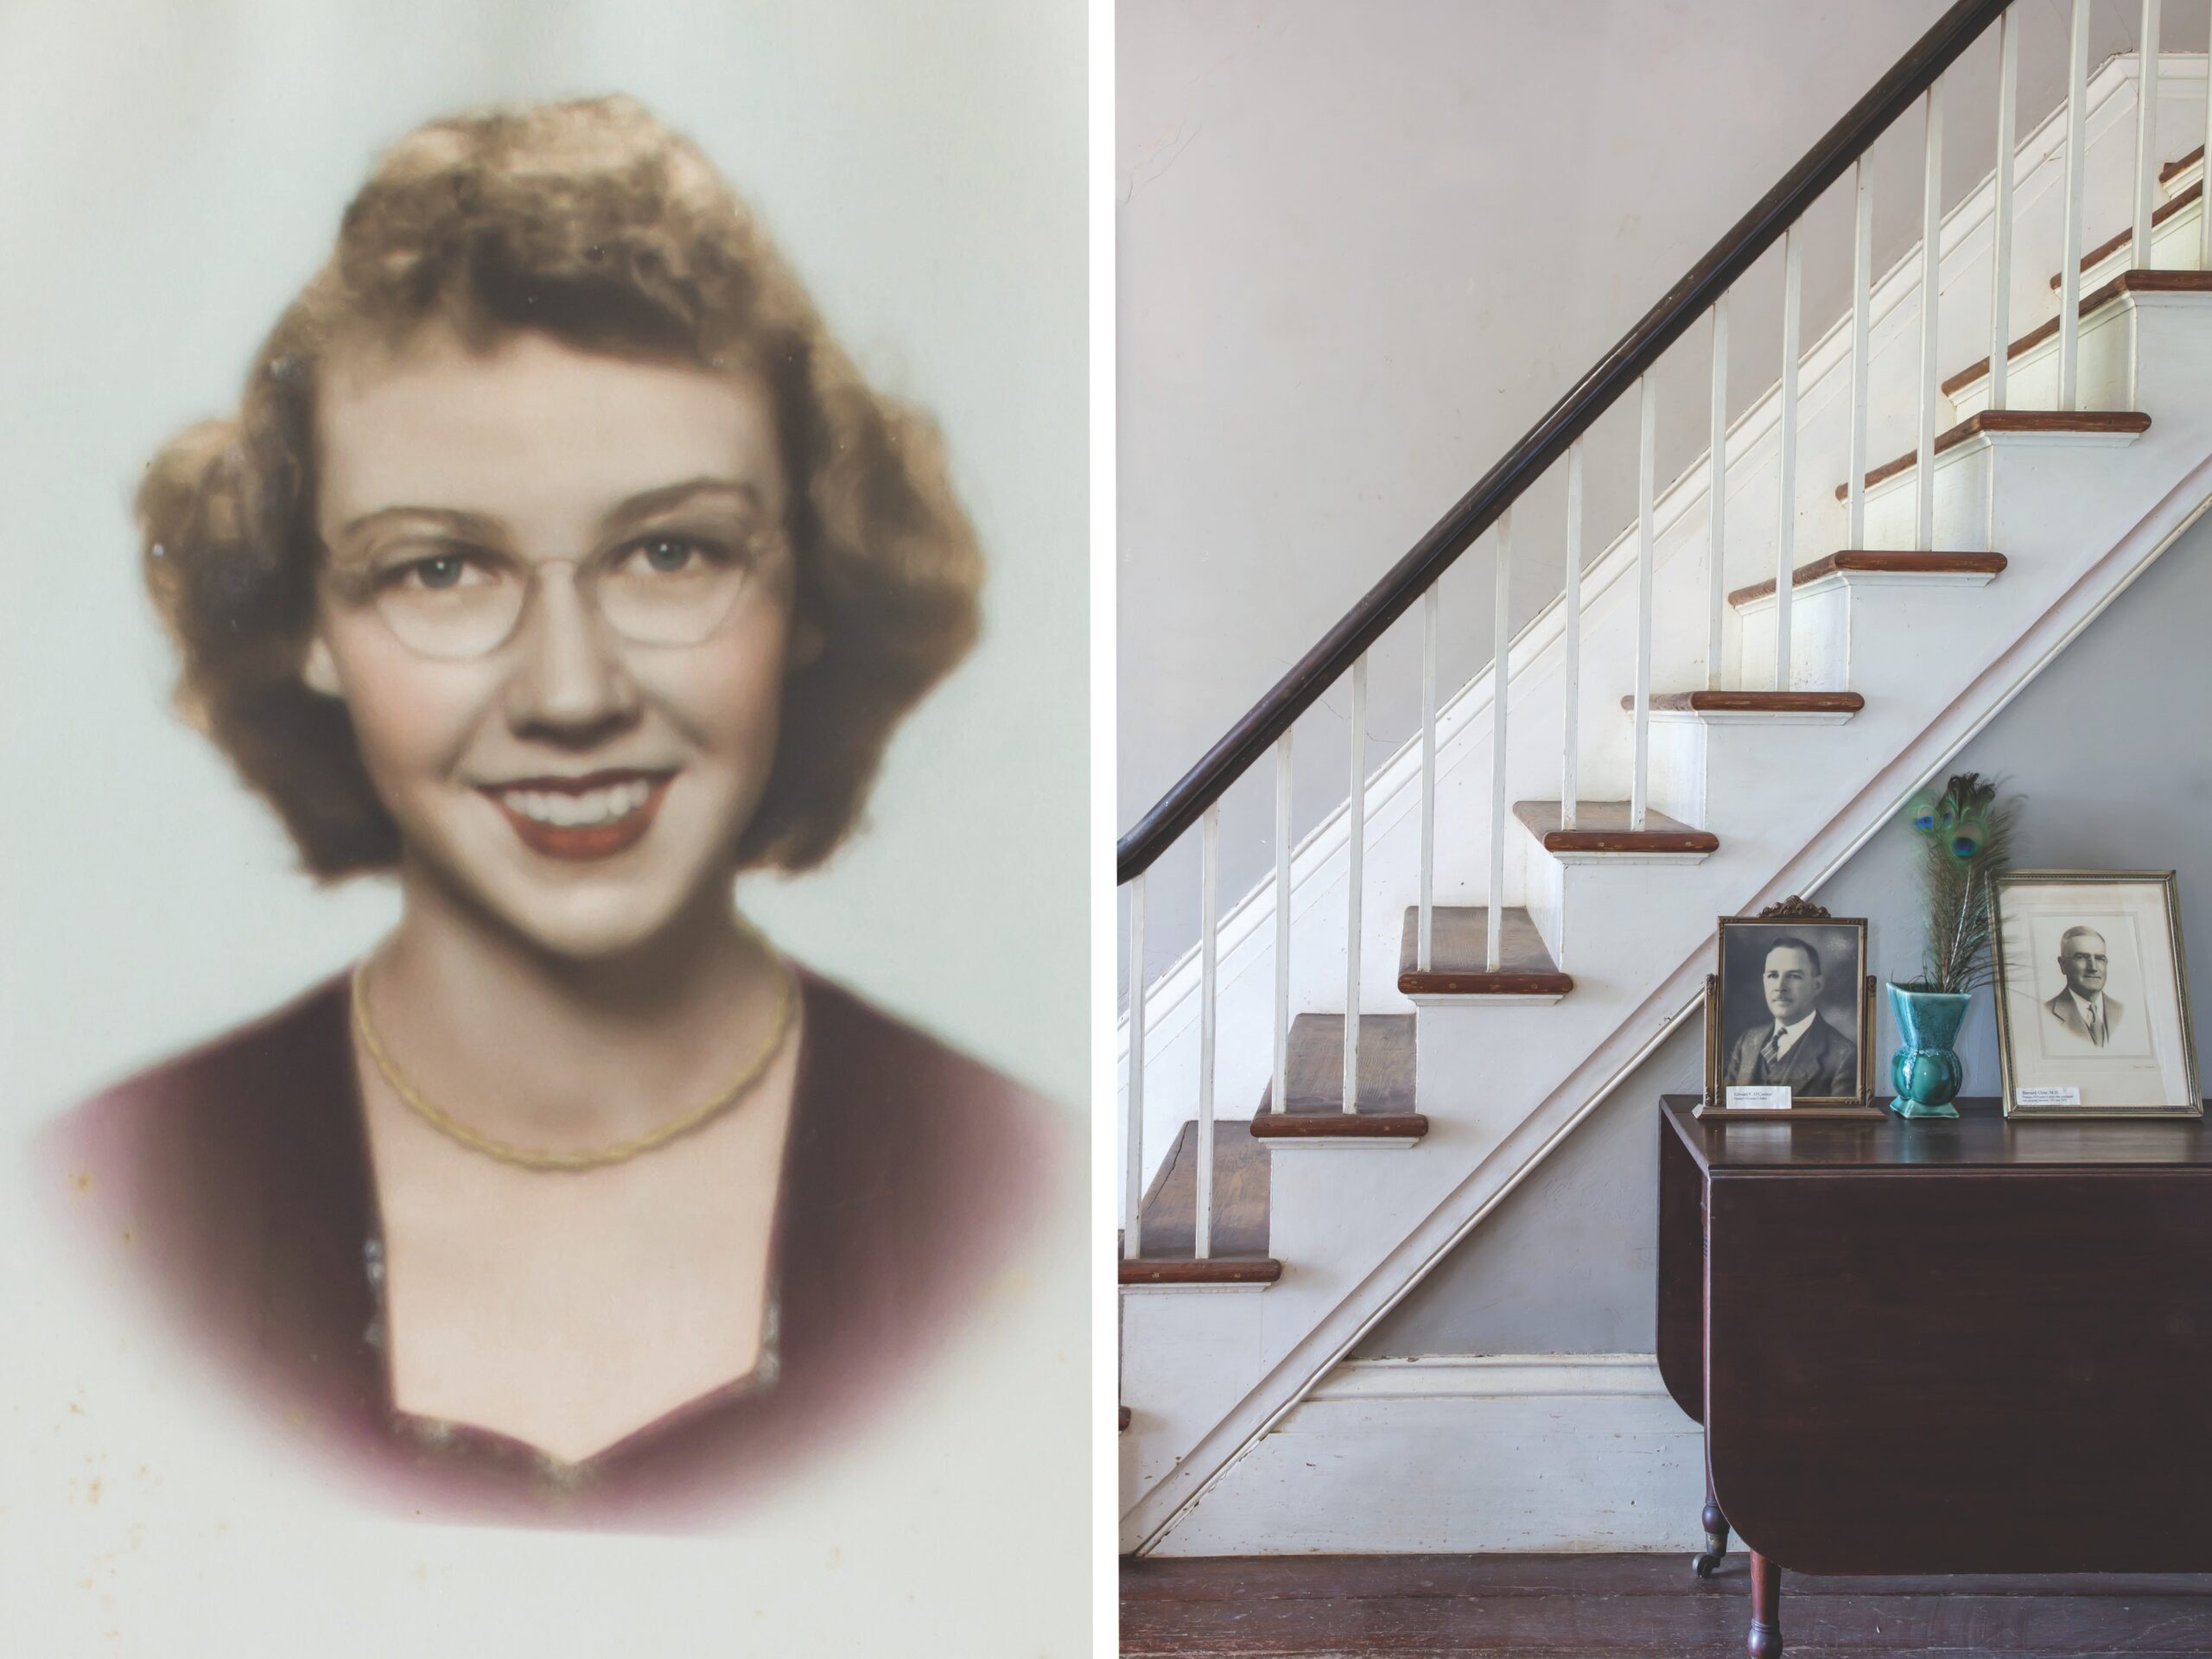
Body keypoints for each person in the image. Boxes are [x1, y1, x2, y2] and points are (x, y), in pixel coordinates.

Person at [41, 96, 1058, 1527]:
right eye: (438, 571)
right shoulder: (94, 1210)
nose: (571, 691)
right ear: (308, 621)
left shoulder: (1020, 1198)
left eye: (670, 550)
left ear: (811, 588)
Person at [1723, 936, 1859, 1096]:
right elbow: (1726, 1105)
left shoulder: (1844, 1055)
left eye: (1794, 976)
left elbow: (1838, 1121)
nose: (1780, 987)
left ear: (1817, 985)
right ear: (1764, 981)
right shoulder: (1747, 1041)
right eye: (1773, 975)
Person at [2047, 925, 2125, 1046]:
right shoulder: (2046, 1015)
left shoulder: (2123, 1011)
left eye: (2099, 958)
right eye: (2081, 957)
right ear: (2063, 965)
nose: (2093, 967)